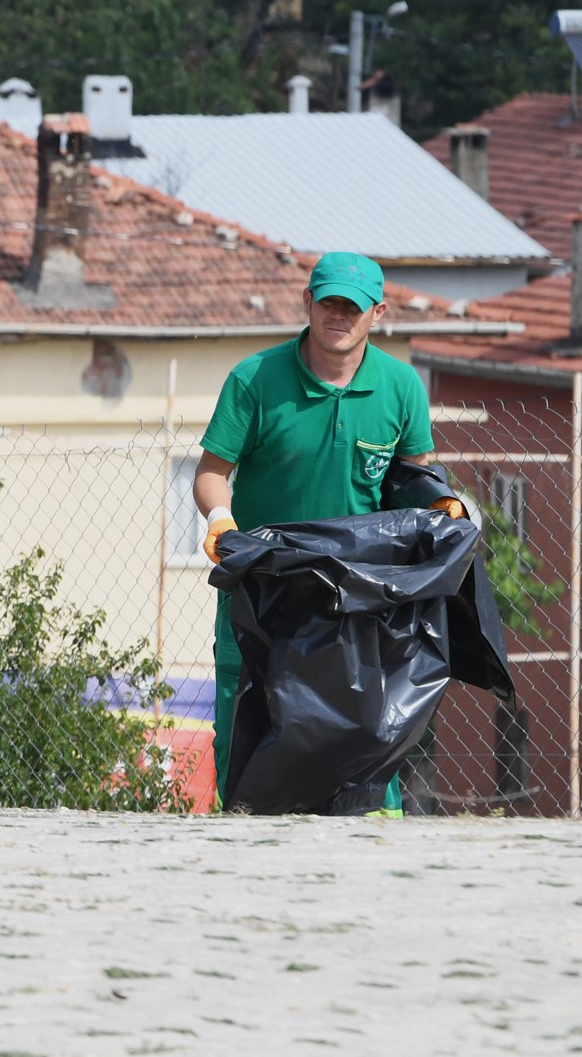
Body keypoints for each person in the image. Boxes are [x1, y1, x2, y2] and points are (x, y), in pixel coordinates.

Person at [194, 251, 465, 815]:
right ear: (307, 304)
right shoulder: (255, 380)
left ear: (378, 313)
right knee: (247, 750)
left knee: (364, 745)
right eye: (329, 303)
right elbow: (212, 473)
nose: (339, 315)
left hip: (358, 605)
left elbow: (413, 480)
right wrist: (221, 521)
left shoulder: (400, 387)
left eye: (353, 307)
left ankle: (365, 879)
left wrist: (443, 502)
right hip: (264, 593)